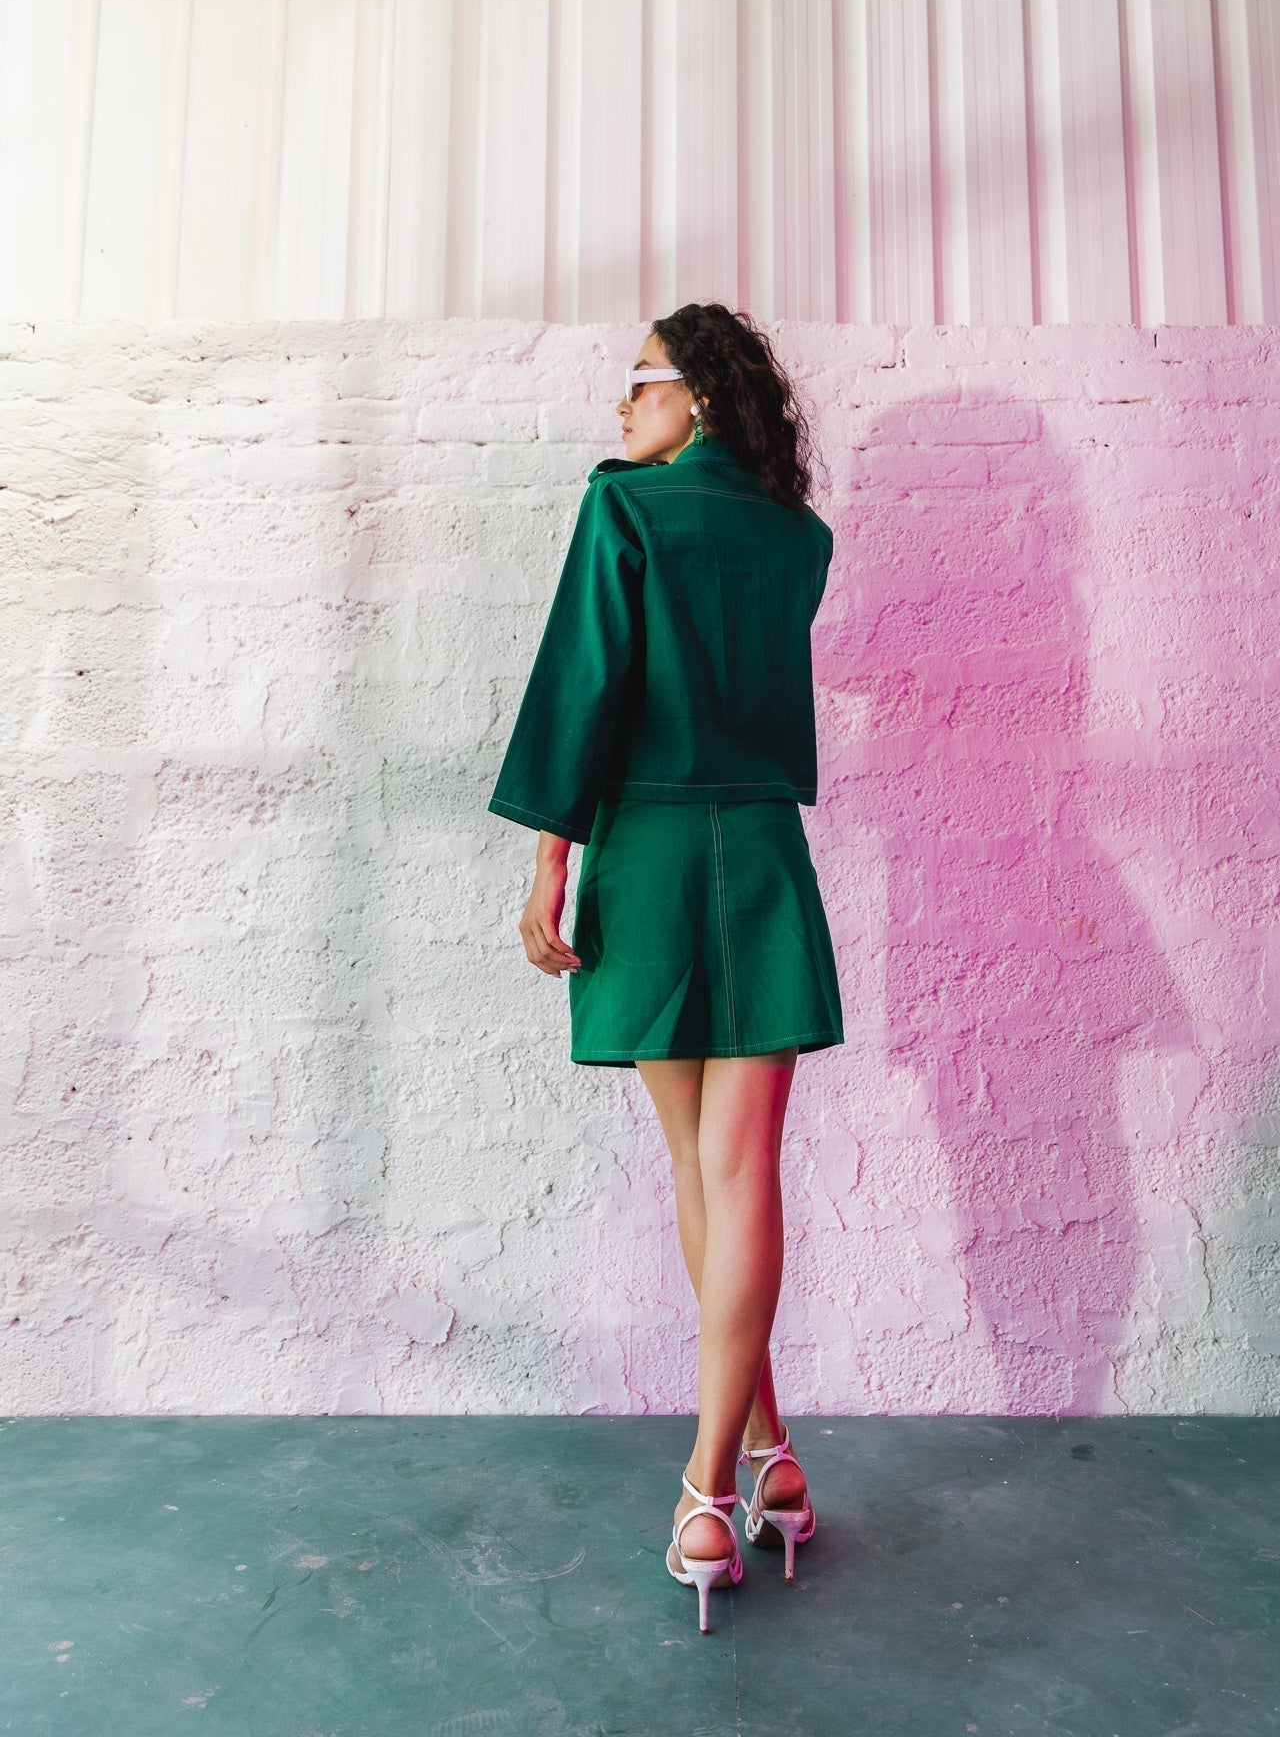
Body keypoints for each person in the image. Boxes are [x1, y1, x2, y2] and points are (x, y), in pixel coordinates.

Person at [486, 302, 844, 1633]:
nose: (621, 406)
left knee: (700, 1164)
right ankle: (765, 1449)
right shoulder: (797, 536)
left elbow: (582, 684)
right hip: (759, 853)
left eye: (637, 382)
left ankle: (704, 1492)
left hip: (642, 850)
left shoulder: (623, 507)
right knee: (733, 1167)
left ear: (690, 392)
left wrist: (549, 861)